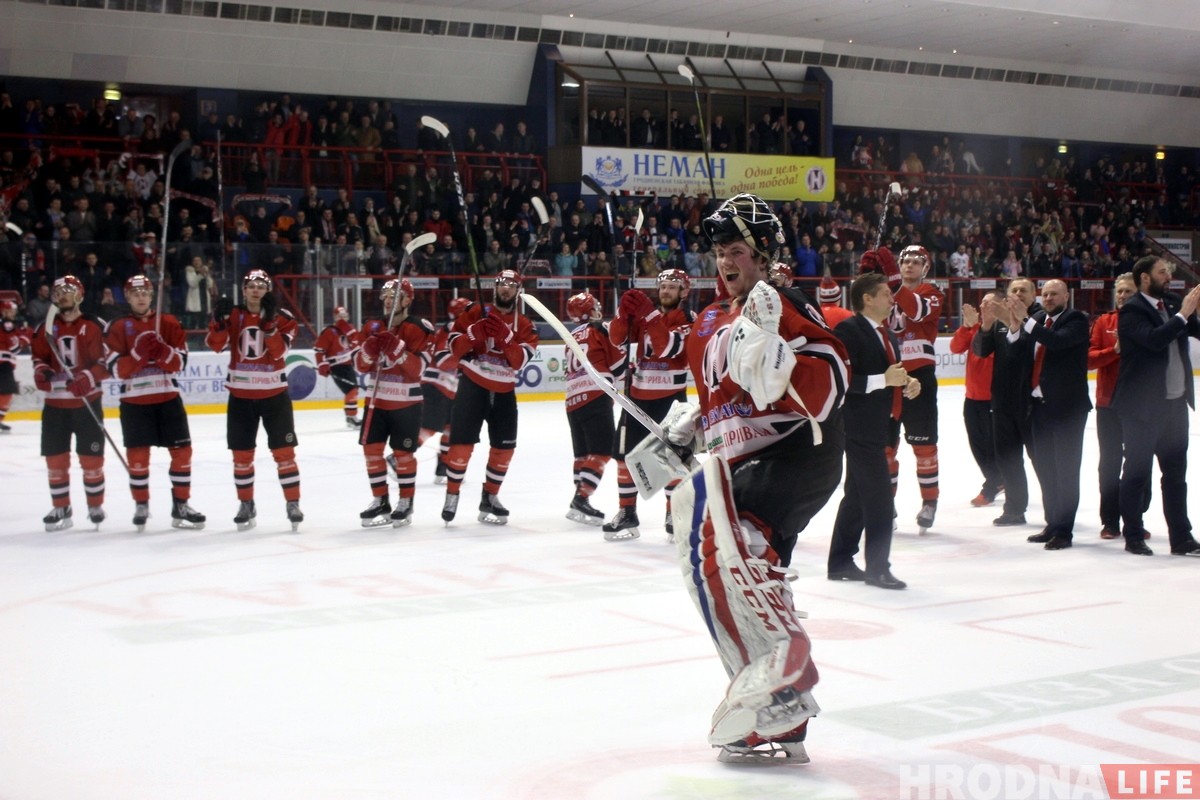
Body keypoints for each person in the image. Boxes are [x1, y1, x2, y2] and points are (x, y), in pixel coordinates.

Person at [668, 193, 849, 764]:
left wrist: (780, 358)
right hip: (741, 463)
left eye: (738, 251)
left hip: (796, 453)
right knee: (725, 565)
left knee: (736, 547)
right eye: (721, 252)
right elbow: (721, 400)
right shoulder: (705, 320)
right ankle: (781, 711)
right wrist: (693, 425)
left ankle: (788, 657)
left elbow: (834, 378)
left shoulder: (779, 300)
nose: (727, 262)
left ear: (762, 255)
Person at [828, 271, 920, 589]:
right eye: (885, 293)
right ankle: (878, 568)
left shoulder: (886, 334)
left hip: (881, 424)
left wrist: (908, 382)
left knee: (856, 495)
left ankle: (840, 561)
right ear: (867, 298)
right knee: (880, 498)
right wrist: (886, 380)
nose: (892, 298)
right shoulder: (848, 330)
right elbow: (841, 381)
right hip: (857, 426)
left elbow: (890, 374)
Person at [102, 274, 205, 530]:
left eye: (145, 292)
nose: (140, 297)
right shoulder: (117, 326)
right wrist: (138, 354)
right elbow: (116, 370)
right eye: (135, 293)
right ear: (127, 297)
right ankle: (141, 504)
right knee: (138, 456)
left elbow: (180, 364)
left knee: (182, 453)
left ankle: (181, 504)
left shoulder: (168, 322)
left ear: (151, 296)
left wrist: (163, 352)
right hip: (134, 402)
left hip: (168, 398)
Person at [1112, 256, 1200, 557]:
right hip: (1142, 409)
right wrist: (1184, 315)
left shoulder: (1174, 302)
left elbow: (1194, 329)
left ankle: (1182, 537)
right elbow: (1153, 341)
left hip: (1175, 405)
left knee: (1176, 476)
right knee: (1136, 473)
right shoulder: (1132, 310)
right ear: (1145, 278)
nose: (1169, 277)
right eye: (1163, 272)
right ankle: (1133, 535)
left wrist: (1188, 314)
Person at [204, 269, 303, 531]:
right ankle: (246, 503)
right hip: (240, 397)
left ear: (268, 291)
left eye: (261, 286)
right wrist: (219, 322)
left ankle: (292, 503)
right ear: (244, 290)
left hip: (275, 397)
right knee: (241, 456)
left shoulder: (284, 318)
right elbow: (215, 345)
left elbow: (280, 352)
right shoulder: (234, 314)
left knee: (284, 454)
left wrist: (269, 324)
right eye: (251, 286)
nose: (256, 290)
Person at [602, 268, 695, 541]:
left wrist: (648, 315)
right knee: (623, 457)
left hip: (670, 401)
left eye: (672, 287)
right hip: (637, 398)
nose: (665, 291)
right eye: (663, 286)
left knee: (674, 459)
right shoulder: (645, 316)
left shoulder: (689, 319)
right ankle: (627, 513)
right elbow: (616, 338)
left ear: (684, 292)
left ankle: (673, 514)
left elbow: (666, 346)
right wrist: (623, 313)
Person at [441, 270, 539, 524]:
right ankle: (452, 494)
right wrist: (474, 334)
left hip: (504, 391)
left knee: (504, 448)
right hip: (473, 386)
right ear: (494, 288)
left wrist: (506, 339)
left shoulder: (525, 324)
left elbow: (518, 362)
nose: (505, 289)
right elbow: (454, 349)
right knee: (462, 444)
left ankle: (490, 497)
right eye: (501, 284)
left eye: (510, 285)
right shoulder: (474, 312)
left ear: (518, 291)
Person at [1008, 279, 1092, 549]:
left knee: (1066, 471)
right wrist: (1013, 327)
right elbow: (1019, 351)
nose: (1049, 298)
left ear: (1066, 296)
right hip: (1039, 408)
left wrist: (1026, 321)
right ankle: (1052, 523)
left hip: (1067, 410)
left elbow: (1056, 342)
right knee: (1046, 470)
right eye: (1045, 294)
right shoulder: (1039, 319)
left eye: (1055, 294)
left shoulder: (1076, 319)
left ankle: (1063, 531)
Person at [31, 276, 110, 530]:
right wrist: (41, 371)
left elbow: (106, 363)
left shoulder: (95, 325)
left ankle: (95, 505)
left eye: (69, 290)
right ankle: (61, 505)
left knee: (91, 459)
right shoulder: (45, 328)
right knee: (55, 460)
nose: (63, 295)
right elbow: (39, 358)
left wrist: (87, 378)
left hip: (87, 404)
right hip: (55, 405)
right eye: (59, 291)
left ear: (80, 295)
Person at [354, 278, 433, 527]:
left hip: (406, 403)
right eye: (386, 295)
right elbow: (360, 366)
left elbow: (417, 371)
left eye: (395, 295)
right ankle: (380, 500)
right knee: (371, 452)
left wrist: (399, 351)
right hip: (376, 401)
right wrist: (368, 350)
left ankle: (405, 502)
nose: (388, 300)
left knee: (403, 455)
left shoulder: (420, 327)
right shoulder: (372, 326)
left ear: (408, 300)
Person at [883, 245, 945, 532]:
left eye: (915, 262)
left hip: (920, 376)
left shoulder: (932, 293)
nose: (909, 265)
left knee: (924, 446)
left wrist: (892, 283)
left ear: (926, 268)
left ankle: (929, 503)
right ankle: (887, 503)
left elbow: (917, 312)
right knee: (886, 448)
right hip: (888, 376)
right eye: (904, 261)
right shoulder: (888, 290)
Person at [973, 278, 1042, 526]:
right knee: (1009, 459)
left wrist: (1013, 322)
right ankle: (1014, 509)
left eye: (1024, 290)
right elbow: (981, 350)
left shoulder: (1041, 319)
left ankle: (1056, 510)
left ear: (1035, 296)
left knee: (1041, 459)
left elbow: (1026, 349)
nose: (1019, 293)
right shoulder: (1000, 321)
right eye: (1015, 290)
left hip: (1032, 404)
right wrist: (986, 325)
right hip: (1002, 401)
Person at [1087, 274, 1149, 540]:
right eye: (1120, 291)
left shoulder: (1148, 320)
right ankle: (1110, 521)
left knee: (1139, 464)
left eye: (1128, 291)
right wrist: (1114, 351)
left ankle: (1135, 518)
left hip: (1141, 406)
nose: (1122, 295)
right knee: (1109, 465)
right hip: (1108, 406)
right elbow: (1088, 360)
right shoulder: (1104, 321)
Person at [562, 291, 623, 526]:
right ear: (590, 312)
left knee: (583, 454)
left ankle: (579, 496)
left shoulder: (570, 337)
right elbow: (617, 365)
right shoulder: (600, 328)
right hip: (595, 395)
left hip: (572, 401)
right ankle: (581, 498)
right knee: (602, 451)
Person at [949, 294, 1003, 507]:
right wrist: (967, 326)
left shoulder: (1003, 329)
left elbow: (985, 354)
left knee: (992, 447)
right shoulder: (976, 328)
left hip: (994, 398)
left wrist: (974, 329)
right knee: (977, 445)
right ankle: (997, 480)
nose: (982, 305)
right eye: (982, 302)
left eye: (988, 302)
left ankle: (993, 484)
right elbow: (955, 348)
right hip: (972, 398)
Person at [413, 296, 471, 485]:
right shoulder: (451, 329)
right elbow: (442, 359)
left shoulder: (459, 329)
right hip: (436, 387)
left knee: (451, 429)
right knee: (429, 427)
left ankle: (443, 467)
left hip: (449, 390)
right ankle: (399, 458)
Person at [313, 305, 364, 429]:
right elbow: (319, 350)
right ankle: (352, 417)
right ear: (335, 317)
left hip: (347, 365)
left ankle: (350, 417)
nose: (342, 318)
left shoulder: (350, 329)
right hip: (336, 366)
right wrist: (322, 364)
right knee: (352, 390)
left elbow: (358, 344)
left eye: (344, 316)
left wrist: (351, 333)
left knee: (353, 390)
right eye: (339, 316)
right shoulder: (329, 331)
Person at [0, 299, 32, 432]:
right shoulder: (7, 325)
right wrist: (26, 338)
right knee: (7, 392)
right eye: (10, 311)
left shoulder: (9, 325)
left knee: (6, 392)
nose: (12, 313)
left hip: (4, 364)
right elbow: (15, 349)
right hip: (3, 364)